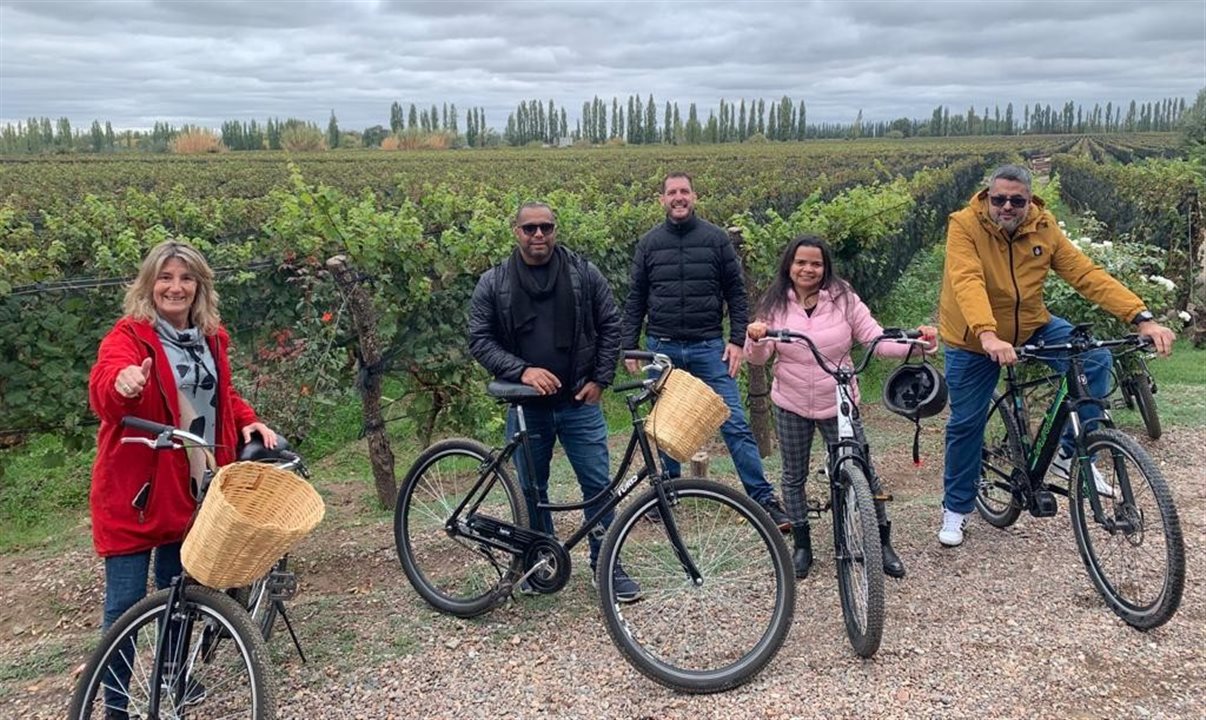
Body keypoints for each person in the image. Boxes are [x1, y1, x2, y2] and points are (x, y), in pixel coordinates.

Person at [937, 164, 1175, 547]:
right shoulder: (965, 225)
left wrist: (1141, 317)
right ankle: (956, 506)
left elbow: (1085, 273)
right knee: (967, 423)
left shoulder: (1042, 226)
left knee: (1095, 358)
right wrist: (987, 333)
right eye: (999, 199)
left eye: (1017, 200)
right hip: (973, 339)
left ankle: (1069, 455)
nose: (1007, 207)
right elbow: (967, 279)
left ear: (1029, 200)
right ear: (987, 197)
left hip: (1032, 325)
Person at [88, 239, 276, 712]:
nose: (176, 287)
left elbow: (221, 395)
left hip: (192, 488)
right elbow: (106, 386)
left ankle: (172, 680)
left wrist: (247, 418)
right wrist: (124, 383)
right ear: (149, 284)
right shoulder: (130, 337)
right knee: (126, 606)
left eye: (186, 278)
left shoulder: (212, 337)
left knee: (181, 591)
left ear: (199, 286)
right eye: (166, 277)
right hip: (138, 490)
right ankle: (115, 703)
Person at [468, 201, 640, 602]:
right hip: (526, 405)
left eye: (545, 227)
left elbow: (610, 322)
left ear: (555, 229)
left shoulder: (583, 272)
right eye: (530, 229)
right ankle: (539, 560)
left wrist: (601, 377)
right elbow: (480, 339)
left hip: (579, 401)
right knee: (531, 487)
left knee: (598, 485)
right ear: (516, 232)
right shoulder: (494, 282)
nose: (538, 235)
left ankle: (606, 563)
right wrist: (522, 370)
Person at [745, 235, 935, 579]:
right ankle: (802, 544)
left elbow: (875, 340)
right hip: (791, 401)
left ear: (825, 267)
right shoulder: (774, 302)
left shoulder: (843, 298)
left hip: (839, 398)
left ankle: (881, 541)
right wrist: (755, 337)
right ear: (790, 265)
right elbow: (758, 356)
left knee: (862, 469)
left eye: (815, 263)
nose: (808, 269)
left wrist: (915, 344)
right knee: (793, 474)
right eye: (801, 262)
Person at [622, 172, 791, 529]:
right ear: (662, 200)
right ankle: (666, 494)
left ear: (694, 197)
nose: (678, 197)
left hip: (709, 347)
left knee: (734, 423)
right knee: (665, 426)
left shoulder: (715, 240)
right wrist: (629, 346)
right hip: (661, 349)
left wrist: (736, 341)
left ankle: (762, 499)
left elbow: (736, 292)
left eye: (684, 191)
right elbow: (636, 296)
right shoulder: (649, 244)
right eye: (672, 192)